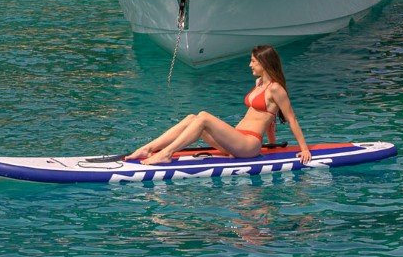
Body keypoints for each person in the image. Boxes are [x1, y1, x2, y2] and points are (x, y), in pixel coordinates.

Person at [126, 44, 312, 166]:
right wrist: (273, 146)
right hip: (236, 140)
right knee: (193, 118)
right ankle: (148, 148)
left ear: (264, 63)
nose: (250, 65)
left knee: (204, 117)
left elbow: (291, 119)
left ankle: (166, 153)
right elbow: (268, 119)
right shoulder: (259, 84)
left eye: (253, 61)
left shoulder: (276, 89)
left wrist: (304, 149)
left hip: (249, 144)